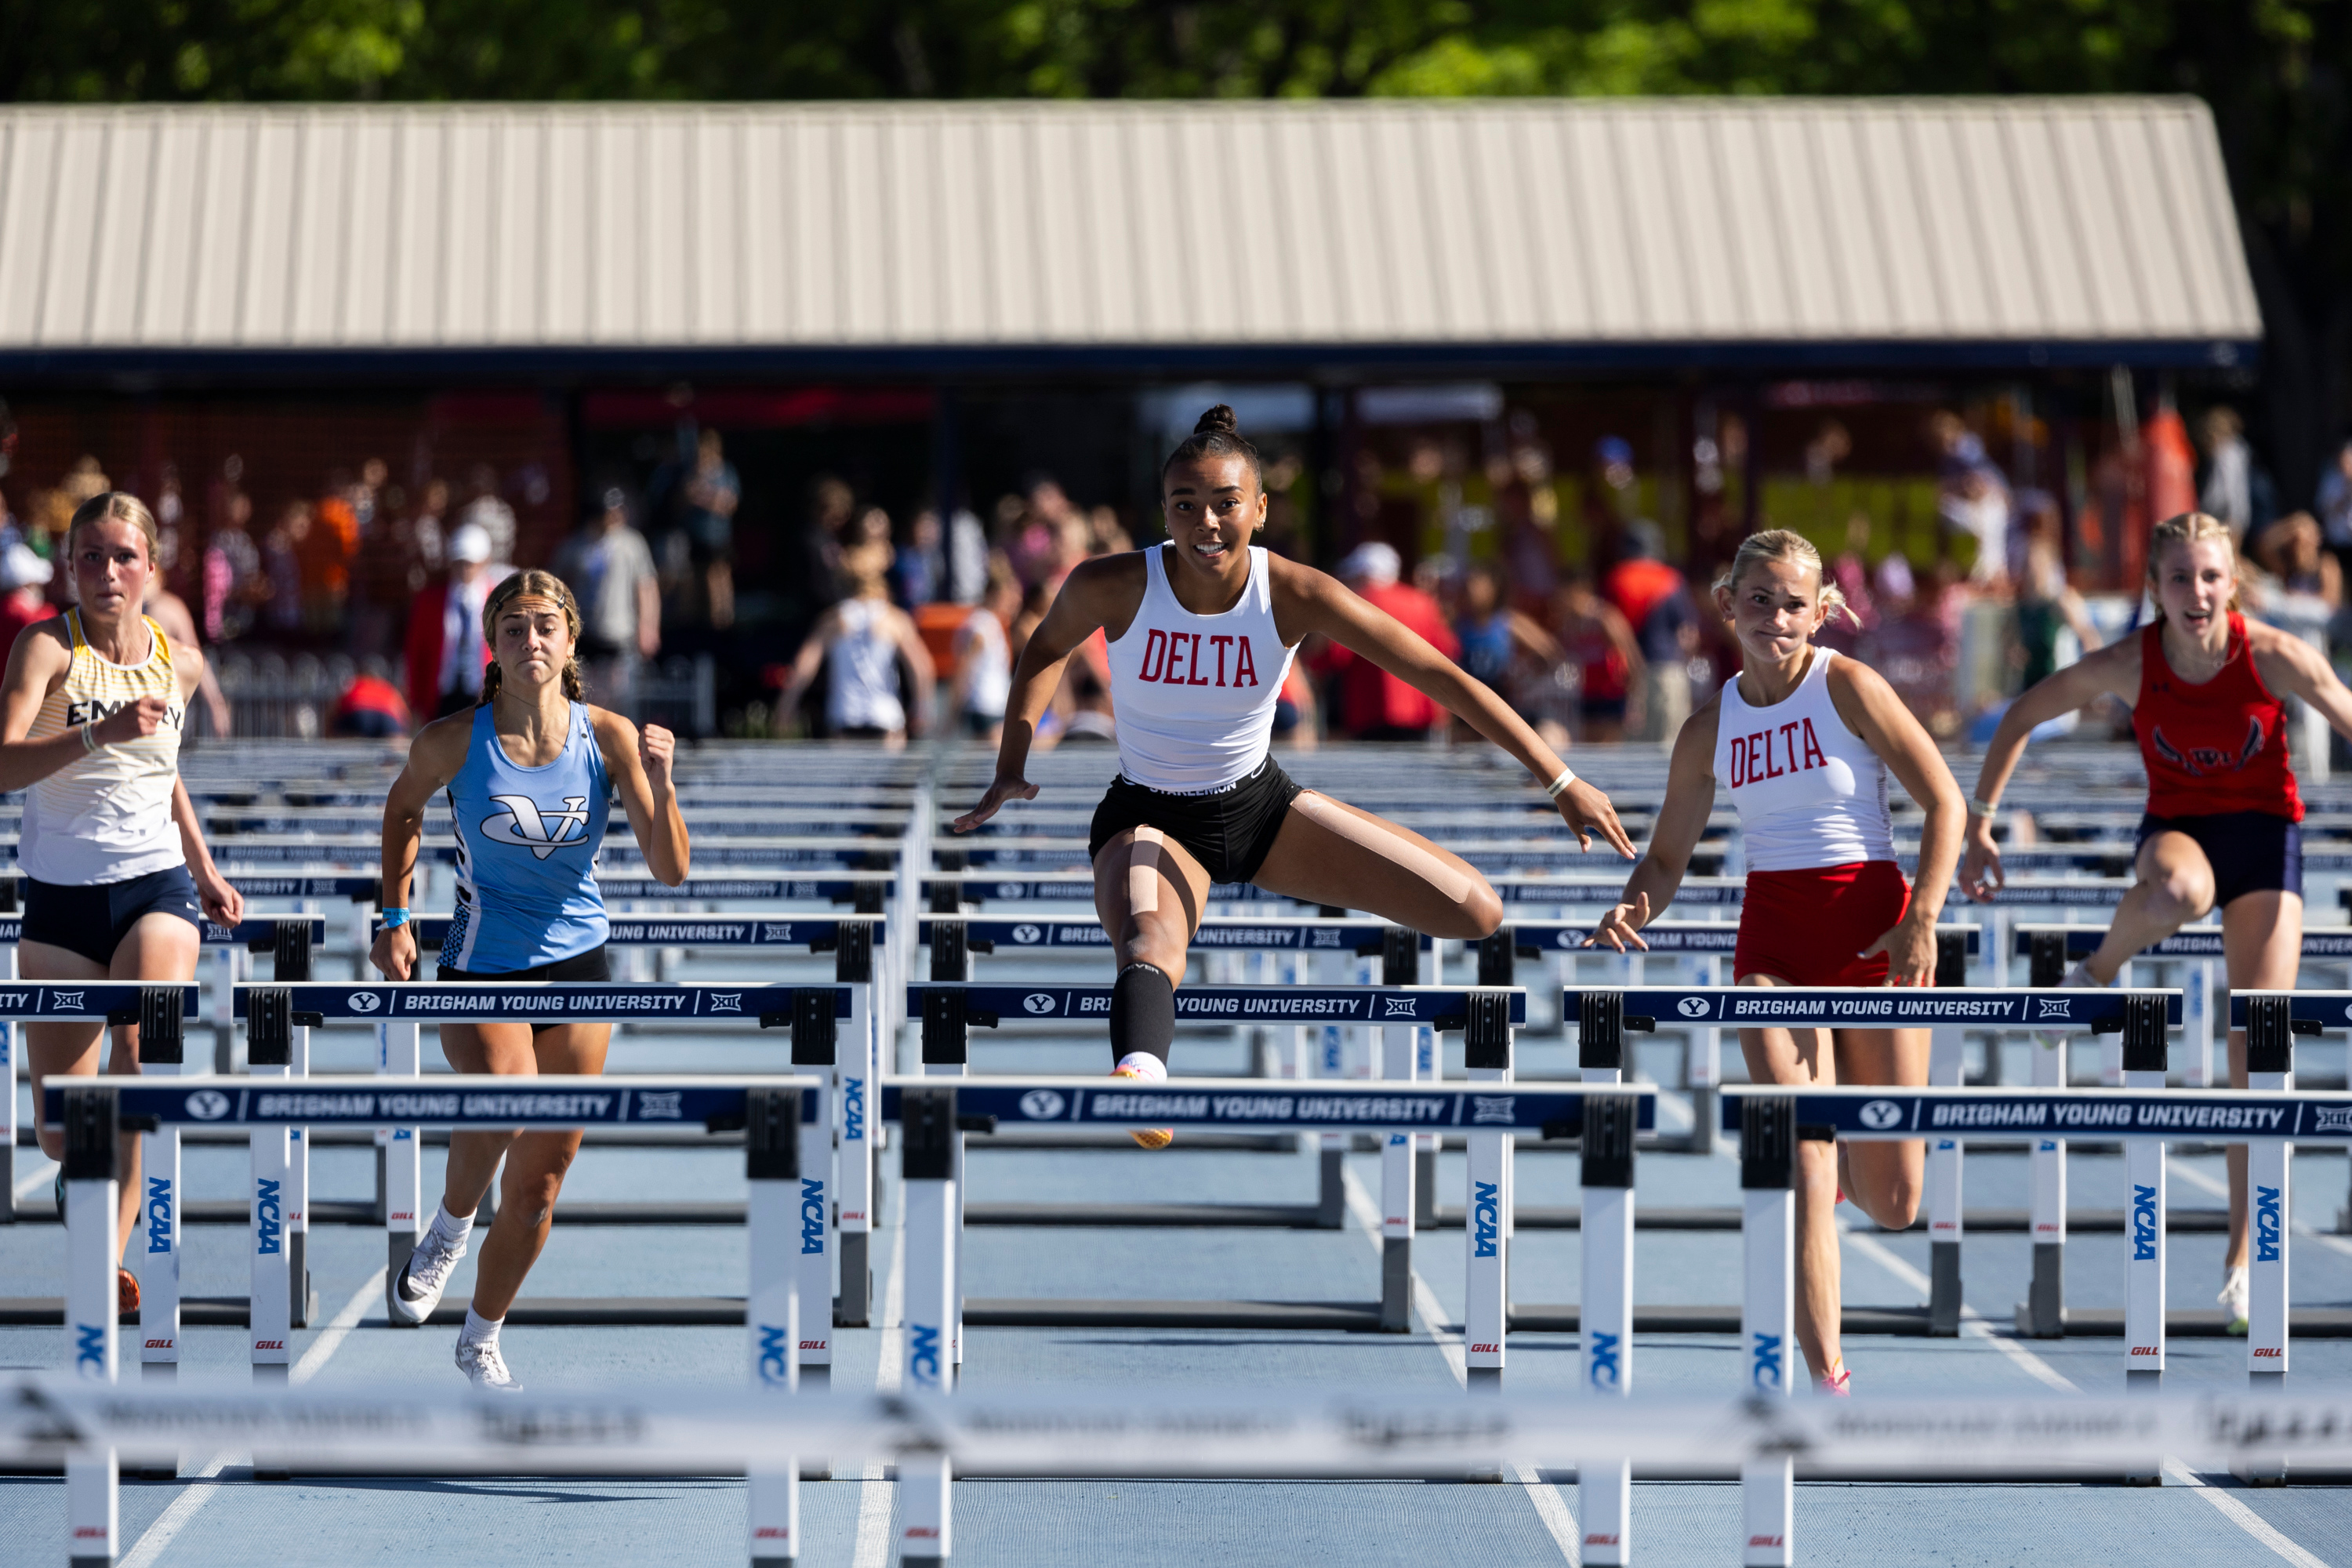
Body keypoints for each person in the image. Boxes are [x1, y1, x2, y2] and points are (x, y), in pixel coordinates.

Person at [953, 405, 1633, 1147]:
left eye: (1225, 505)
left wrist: (1561, 780)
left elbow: (1438, 674)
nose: (1206, 524)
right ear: (1164, 511)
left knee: (1477, 911)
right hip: (1149, 816)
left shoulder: (1296, 593)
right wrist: (1010, 767)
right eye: (1186, 506)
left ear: (1261, 508)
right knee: (1150, 942)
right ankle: (1142, 1078)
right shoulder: (1115, 584)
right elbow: (1046, 647)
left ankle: (1147, 1059)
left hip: (1262, 812)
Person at [1588, 528, 1965, 1396]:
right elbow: (1666, 860)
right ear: (1727, 605)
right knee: (1804, 1158)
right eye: (1759, 599)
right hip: (1775, 945)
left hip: (1874, 930)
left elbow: (1944, 798)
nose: (1777, 617)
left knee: (1898, 1199)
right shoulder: (1709, 726)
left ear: (1824, 610)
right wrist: (1629, 906)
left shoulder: (1851, 687)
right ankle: (1825, 1373)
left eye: (1796, 602)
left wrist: (1924, 920)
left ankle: (1835, 1179)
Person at [1962, 511, 2352, 1335]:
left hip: (2268, 841)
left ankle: (2242, 1259)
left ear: (2232, 583)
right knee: (2178, 889)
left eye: (2211, 576)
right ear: (2155, 591)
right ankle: (2097, 970)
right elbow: (2025, 712)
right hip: (2178, 834)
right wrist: (1979, 818)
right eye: (2180, 578)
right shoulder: (2130, 664)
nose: (2197, 592)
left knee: (2259, 1046)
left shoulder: (2274, 654)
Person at [369, 569, 689, 1390]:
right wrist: (393, 916)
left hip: (580, 962)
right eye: (514, 627)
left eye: (546, 625)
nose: (531, 640)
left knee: (542, 1181)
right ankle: (447, 1224)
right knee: (509, 1090)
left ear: (572, 639)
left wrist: (663, 780)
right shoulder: (454, 740)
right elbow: (403, 810)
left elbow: (670, 870)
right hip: (484, 960)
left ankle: (480, 1335)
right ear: (495, 646)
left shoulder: (609, 735)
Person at [1, 492, 242, 1314]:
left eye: (124, 556)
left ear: (151, 566)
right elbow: (3, 765)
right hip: (60, 902)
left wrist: (203, 866)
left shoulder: (181, 660)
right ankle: (82, 1175)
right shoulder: (46, 650)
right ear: (70, 567)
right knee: (64, 1127)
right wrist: (97, 732)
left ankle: (107, 1257)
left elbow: (162, 766)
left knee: (141, 1057)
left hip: (156, 888)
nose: (108, 571)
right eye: (93, 556)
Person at [778, 542, 936, 743]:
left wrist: (786, 708)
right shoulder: (894, 620)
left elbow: (803, 668)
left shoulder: (832, 620)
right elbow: (921, 668)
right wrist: (922, 708)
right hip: (885, 720)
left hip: (844, 719)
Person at [1313, 541, 1458, 741]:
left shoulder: (1359, 602)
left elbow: (1331, 658)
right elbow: (1448, 650)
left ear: (1363, 574)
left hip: (1371, 713)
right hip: (1420, 713)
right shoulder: (1423, 602)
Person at [550, 488, 662, 716]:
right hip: (583, 629)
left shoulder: (631, 544)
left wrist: (648, 626)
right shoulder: (575, 546)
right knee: (577, 690)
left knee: (617, 693)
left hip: (618, 630)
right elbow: (555, 584)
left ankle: (611, 738)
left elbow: (646, 587)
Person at [403, 523, 514, 720]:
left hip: (483, 693)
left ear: (484, 562)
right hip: (442, 695)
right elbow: (416, 652)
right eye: (459, 562)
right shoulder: (431, 602)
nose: (464, 569)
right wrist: (416, 699)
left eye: (470, 563)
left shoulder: (499, 602)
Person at [141, 575, 233, 738]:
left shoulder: (116, 610)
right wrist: (216, 705)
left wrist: (216, 705)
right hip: (163, 704)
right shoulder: (171, 609)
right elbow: (196, 657)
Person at [950, 564, 1021, 741]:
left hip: (994, 706)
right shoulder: (980, 626)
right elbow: (964, 670)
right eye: (1010, 594)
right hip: (984, 706)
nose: (1015, 600)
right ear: (995, 594)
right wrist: (952, 713)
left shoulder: (991, 624)